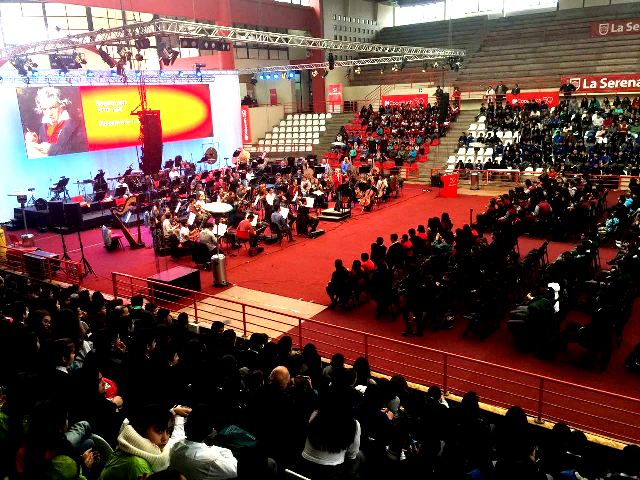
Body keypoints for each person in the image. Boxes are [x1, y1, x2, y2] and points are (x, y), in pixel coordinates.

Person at [99, 404, 190, 479]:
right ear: (141, 429)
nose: (165, 438)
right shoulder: (138, 464)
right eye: (159, 431)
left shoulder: (129, 445)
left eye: (168, 431)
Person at [169, 405, 238, 480]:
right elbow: (235, 469)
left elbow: (178, 428)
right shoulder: (211, 460)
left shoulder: (175, 445)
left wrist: (174, 410)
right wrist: (214, 448)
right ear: (211, 431)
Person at [23, 86, 88, 158]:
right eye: (44, 109)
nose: (49, 113)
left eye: (52, 108)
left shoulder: (77, 125)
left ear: (61, 105)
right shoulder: (43, 127)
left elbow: (83, 152)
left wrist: (52, 150)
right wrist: (35, 140)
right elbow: (44, 146)